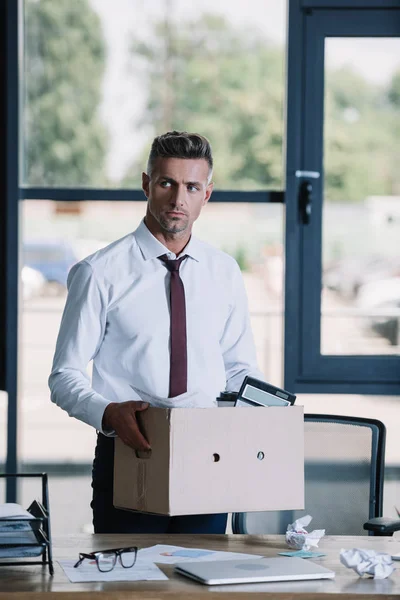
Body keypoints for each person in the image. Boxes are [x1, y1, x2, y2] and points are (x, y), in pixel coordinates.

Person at [48, 130, 264, 534]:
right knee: (128, 588)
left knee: (201, 585)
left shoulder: (224, 272)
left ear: (207, 194)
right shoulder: (99, 272)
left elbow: (239, 370)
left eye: (191, 186)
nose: (178, 199)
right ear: (147, 184)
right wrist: (108, 413)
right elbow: (63, 376)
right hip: (130, 452)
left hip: (209, 455)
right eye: (166, 182)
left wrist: (266, 419)